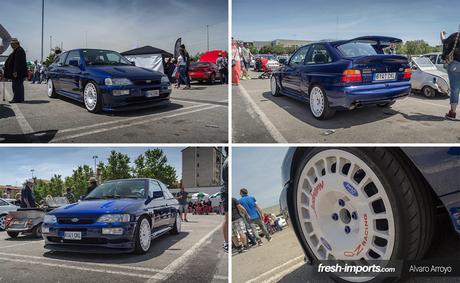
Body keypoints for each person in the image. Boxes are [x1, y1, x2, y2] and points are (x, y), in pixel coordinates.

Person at [441, 29, 460, 120]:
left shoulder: (456, 36)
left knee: (455, 89)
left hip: (455, 64)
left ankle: (452, 113)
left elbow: (444, 42)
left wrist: (441, 34)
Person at [3, 38, 27, 103]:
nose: (11, 46)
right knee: (18, 85)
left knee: (17, 86)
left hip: (18, 72)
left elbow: (18, 62)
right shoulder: (17, 50)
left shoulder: (19, 50)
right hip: (18, 72)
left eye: (12, 44)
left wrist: (15, 71)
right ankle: (20, 98)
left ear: (16, 44)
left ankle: (17, 99)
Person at [221, 147, 229, 252]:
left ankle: (227, 242)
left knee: (227, 218)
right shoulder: (228, 161)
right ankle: (227, 242)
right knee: (227, 218)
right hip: (226, 191)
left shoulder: (227, 160)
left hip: (226, 191)